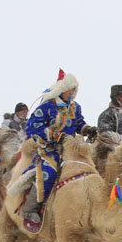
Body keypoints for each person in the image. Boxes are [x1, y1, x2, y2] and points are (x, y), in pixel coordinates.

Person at [19, 70, 97, 232]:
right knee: (48, 172)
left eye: (74, 90)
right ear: (62, 90)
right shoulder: (47, 107)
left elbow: (78, 124)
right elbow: (33, 126)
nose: (72, 93)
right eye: (70, 90)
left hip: (71, 149)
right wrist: (55, 136)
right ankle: (31, 209)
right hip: (50, 150)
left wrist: (88, 130)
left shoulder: (75, 108)